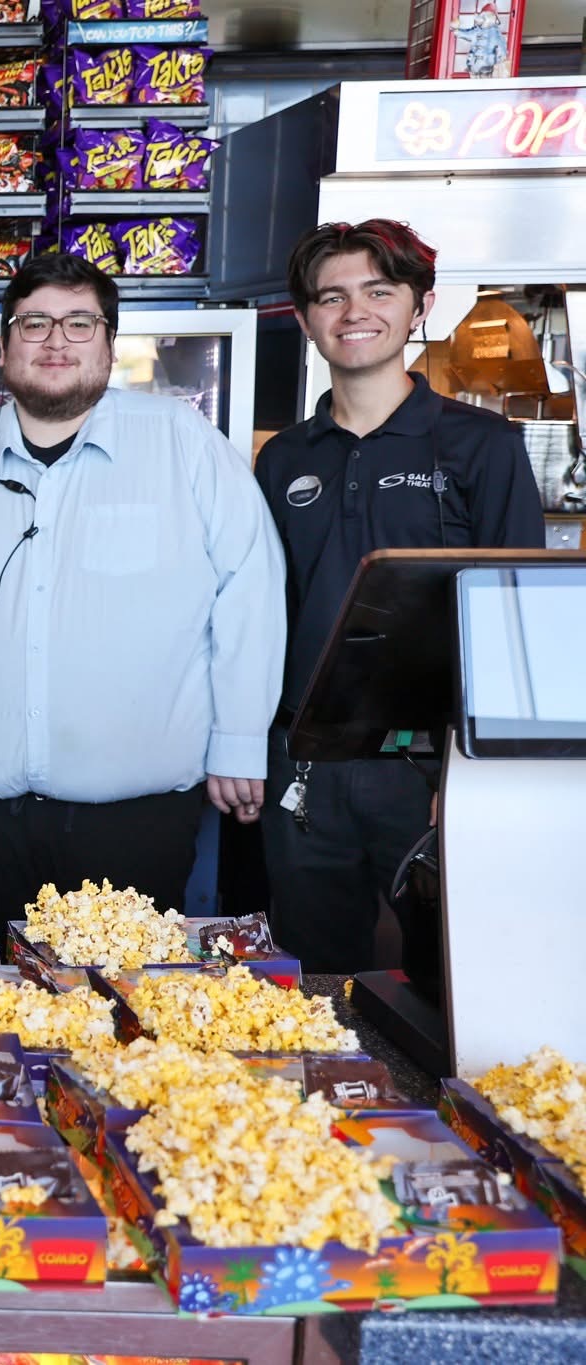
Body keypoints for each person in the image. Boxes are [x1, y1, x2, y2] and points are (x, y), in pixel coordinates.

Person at [0, 253, 285, 943]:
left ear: (110, 342)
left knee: (124, 1032)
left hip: (133, 822)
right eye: (35, 322)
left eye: (80, 323)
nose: (55, 341)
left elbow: (250, 590)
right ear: (5, 342)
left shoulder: (184, 445)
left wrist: (239, 741)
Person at [255, 220, 544, 975]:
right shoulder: (283, 458)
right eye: (332, 296)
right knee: (308, 984)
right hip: (305, 761)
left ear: (420, 306)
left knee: (451, 978)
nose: (355, 311)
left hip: (429, 766)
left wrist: (478, 776)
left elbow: (515, 622)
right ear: (307, 317)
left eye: (379, 291)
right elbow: (259, 612)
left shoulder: (483, 446)